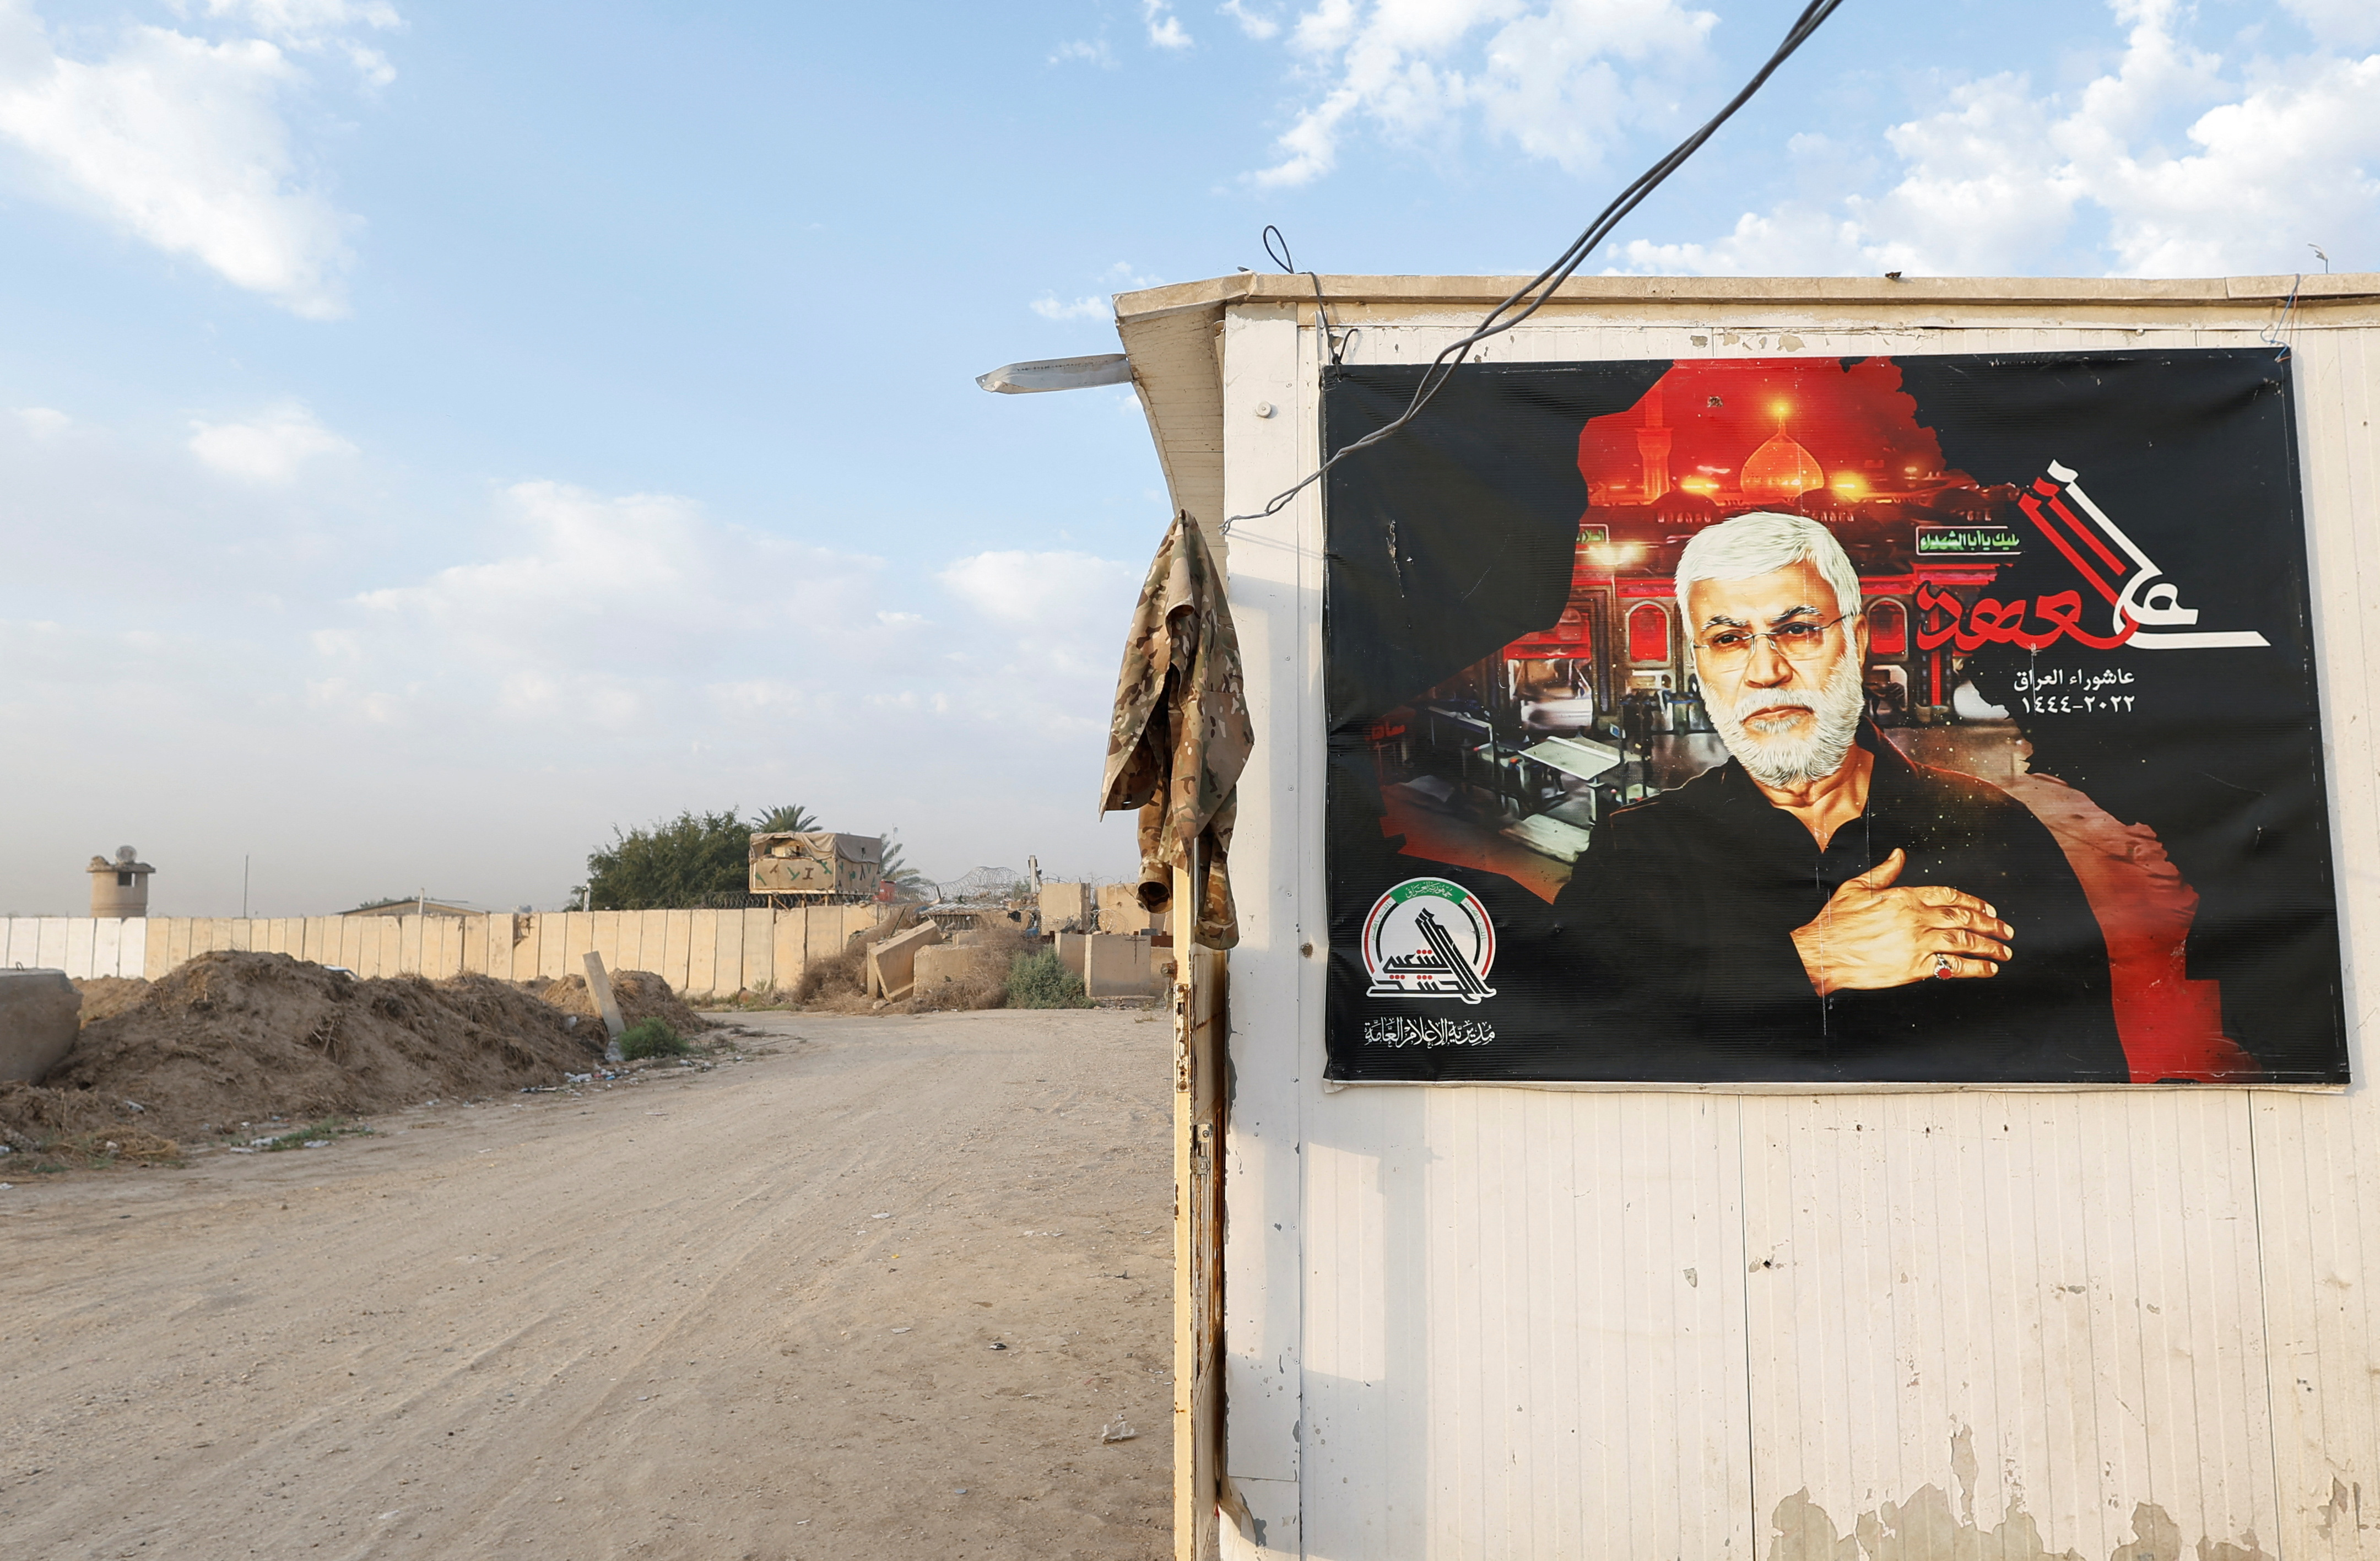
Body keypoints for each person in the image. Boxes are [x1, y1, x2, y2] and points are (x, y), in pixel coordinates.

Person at [1548, 512, 2127, 1082]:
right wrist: (1807, 961)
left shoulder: (1993, 830)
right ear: (1700, 664)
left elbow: (2084, 1065)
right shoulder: (1636, 850)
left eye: (1797, 629)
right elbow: (1571, 1052)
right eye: (1729, 639)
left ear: (1857, 640)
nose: (1766, 670)